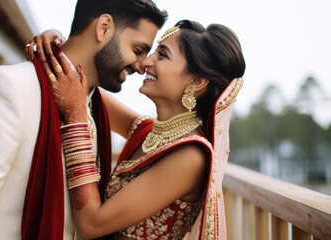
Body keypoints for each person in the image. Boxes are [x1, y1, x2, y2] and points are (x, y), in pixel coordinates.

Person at [0, 1, 167, 239]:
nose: (141, 66)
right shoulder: (6, 89)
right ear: (103, 28)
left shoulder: (95, 107)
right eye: (138, 50)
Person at [32, 19, 245, 239]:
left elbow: (91, 225)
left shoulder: (191, 156)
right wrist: (60, 48)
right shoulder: (147, 131)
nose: (145, 62)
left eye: (162, 55)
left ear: (197, 81)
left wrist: (76, 118)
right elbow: (77, 86)